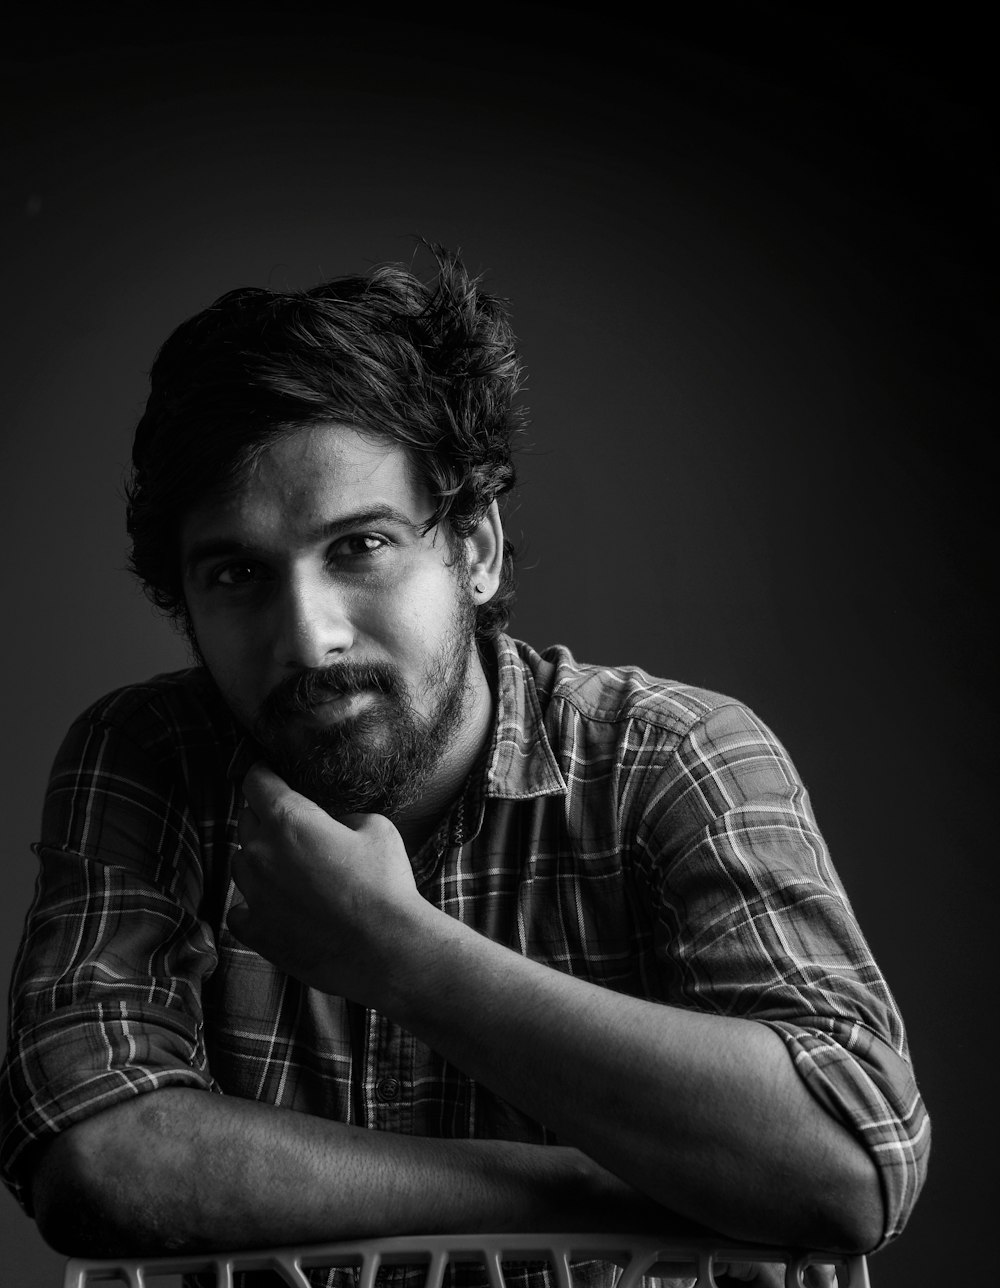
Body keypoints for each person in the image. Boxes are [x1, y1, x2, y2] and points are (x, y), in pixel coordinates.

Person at [1, 250, 928, 1283]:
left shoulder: (676, 756)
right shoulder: (150, 761)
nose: (308, 639)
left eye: (359, 547)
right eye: (237, 575)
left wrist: (396, 949)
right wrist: (583, 1189)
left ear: (475, 548)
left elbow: (851, 1163)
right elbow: (92, 1152)